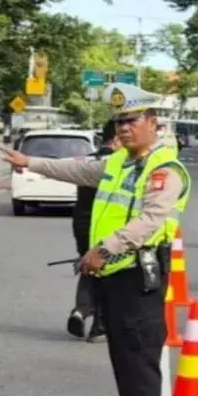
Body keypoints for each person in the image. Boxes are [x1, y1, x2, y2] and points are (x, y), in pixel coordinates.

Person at [0, 83, 190, 396]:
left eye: (131, 121)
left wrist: (102, 250)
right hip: (116, 277)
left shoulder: (164, 170)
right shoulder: (120, 162)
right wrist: (29, 162)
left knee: (138, 364)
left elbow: (149, 222)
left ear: (153, 123)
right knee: (124, 361)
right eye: (118, 122)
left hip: (138, 275)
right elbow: (79, 170)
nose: (123, 128)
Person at [68, 120, 119, 342]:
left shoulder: (88, 160)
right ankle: (99, 324)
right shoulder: (119, 164)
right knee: (109, 271)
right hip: (106, 224)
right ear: (117, 139)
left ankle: (81, 309)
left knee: (88, 264)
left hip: (81, 222)